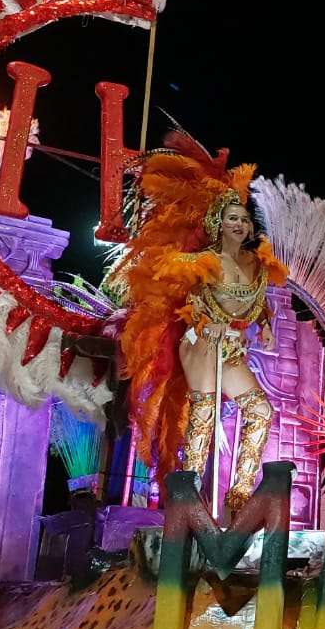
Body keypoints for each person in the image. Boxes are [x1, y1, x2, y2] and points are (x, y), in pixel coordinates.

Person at [119, 132, 288, 519]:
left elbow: (256, 302)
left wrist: (263, 324)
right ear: (218, 222)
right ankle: (189, 500)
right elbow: (180, 295)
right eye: (233, 218)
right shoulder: (200, 260)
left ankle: (240, 495)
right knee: (205, 413)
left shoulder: (254, 264)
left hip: (231, 347)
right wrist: (203, 322)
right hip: (200, 342)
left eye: (245, 218)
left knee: (260, 411)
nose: (241, 224)